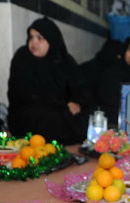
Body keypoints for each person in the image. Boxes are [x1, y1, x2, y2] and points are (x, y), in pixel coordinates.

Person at [7, 17, 89, 145]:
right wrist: (63, 107)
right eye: (31, 37)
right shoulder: (22, 58)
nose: (33, 42)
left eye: (39, 38)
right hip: (29, 112)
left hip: (61, 108)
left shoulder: (64, 60)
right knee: (48, 116)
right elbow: (27, 95)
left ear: (52, 40)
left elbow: (81, 89)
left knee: (88, 113)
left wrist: (77, 103)